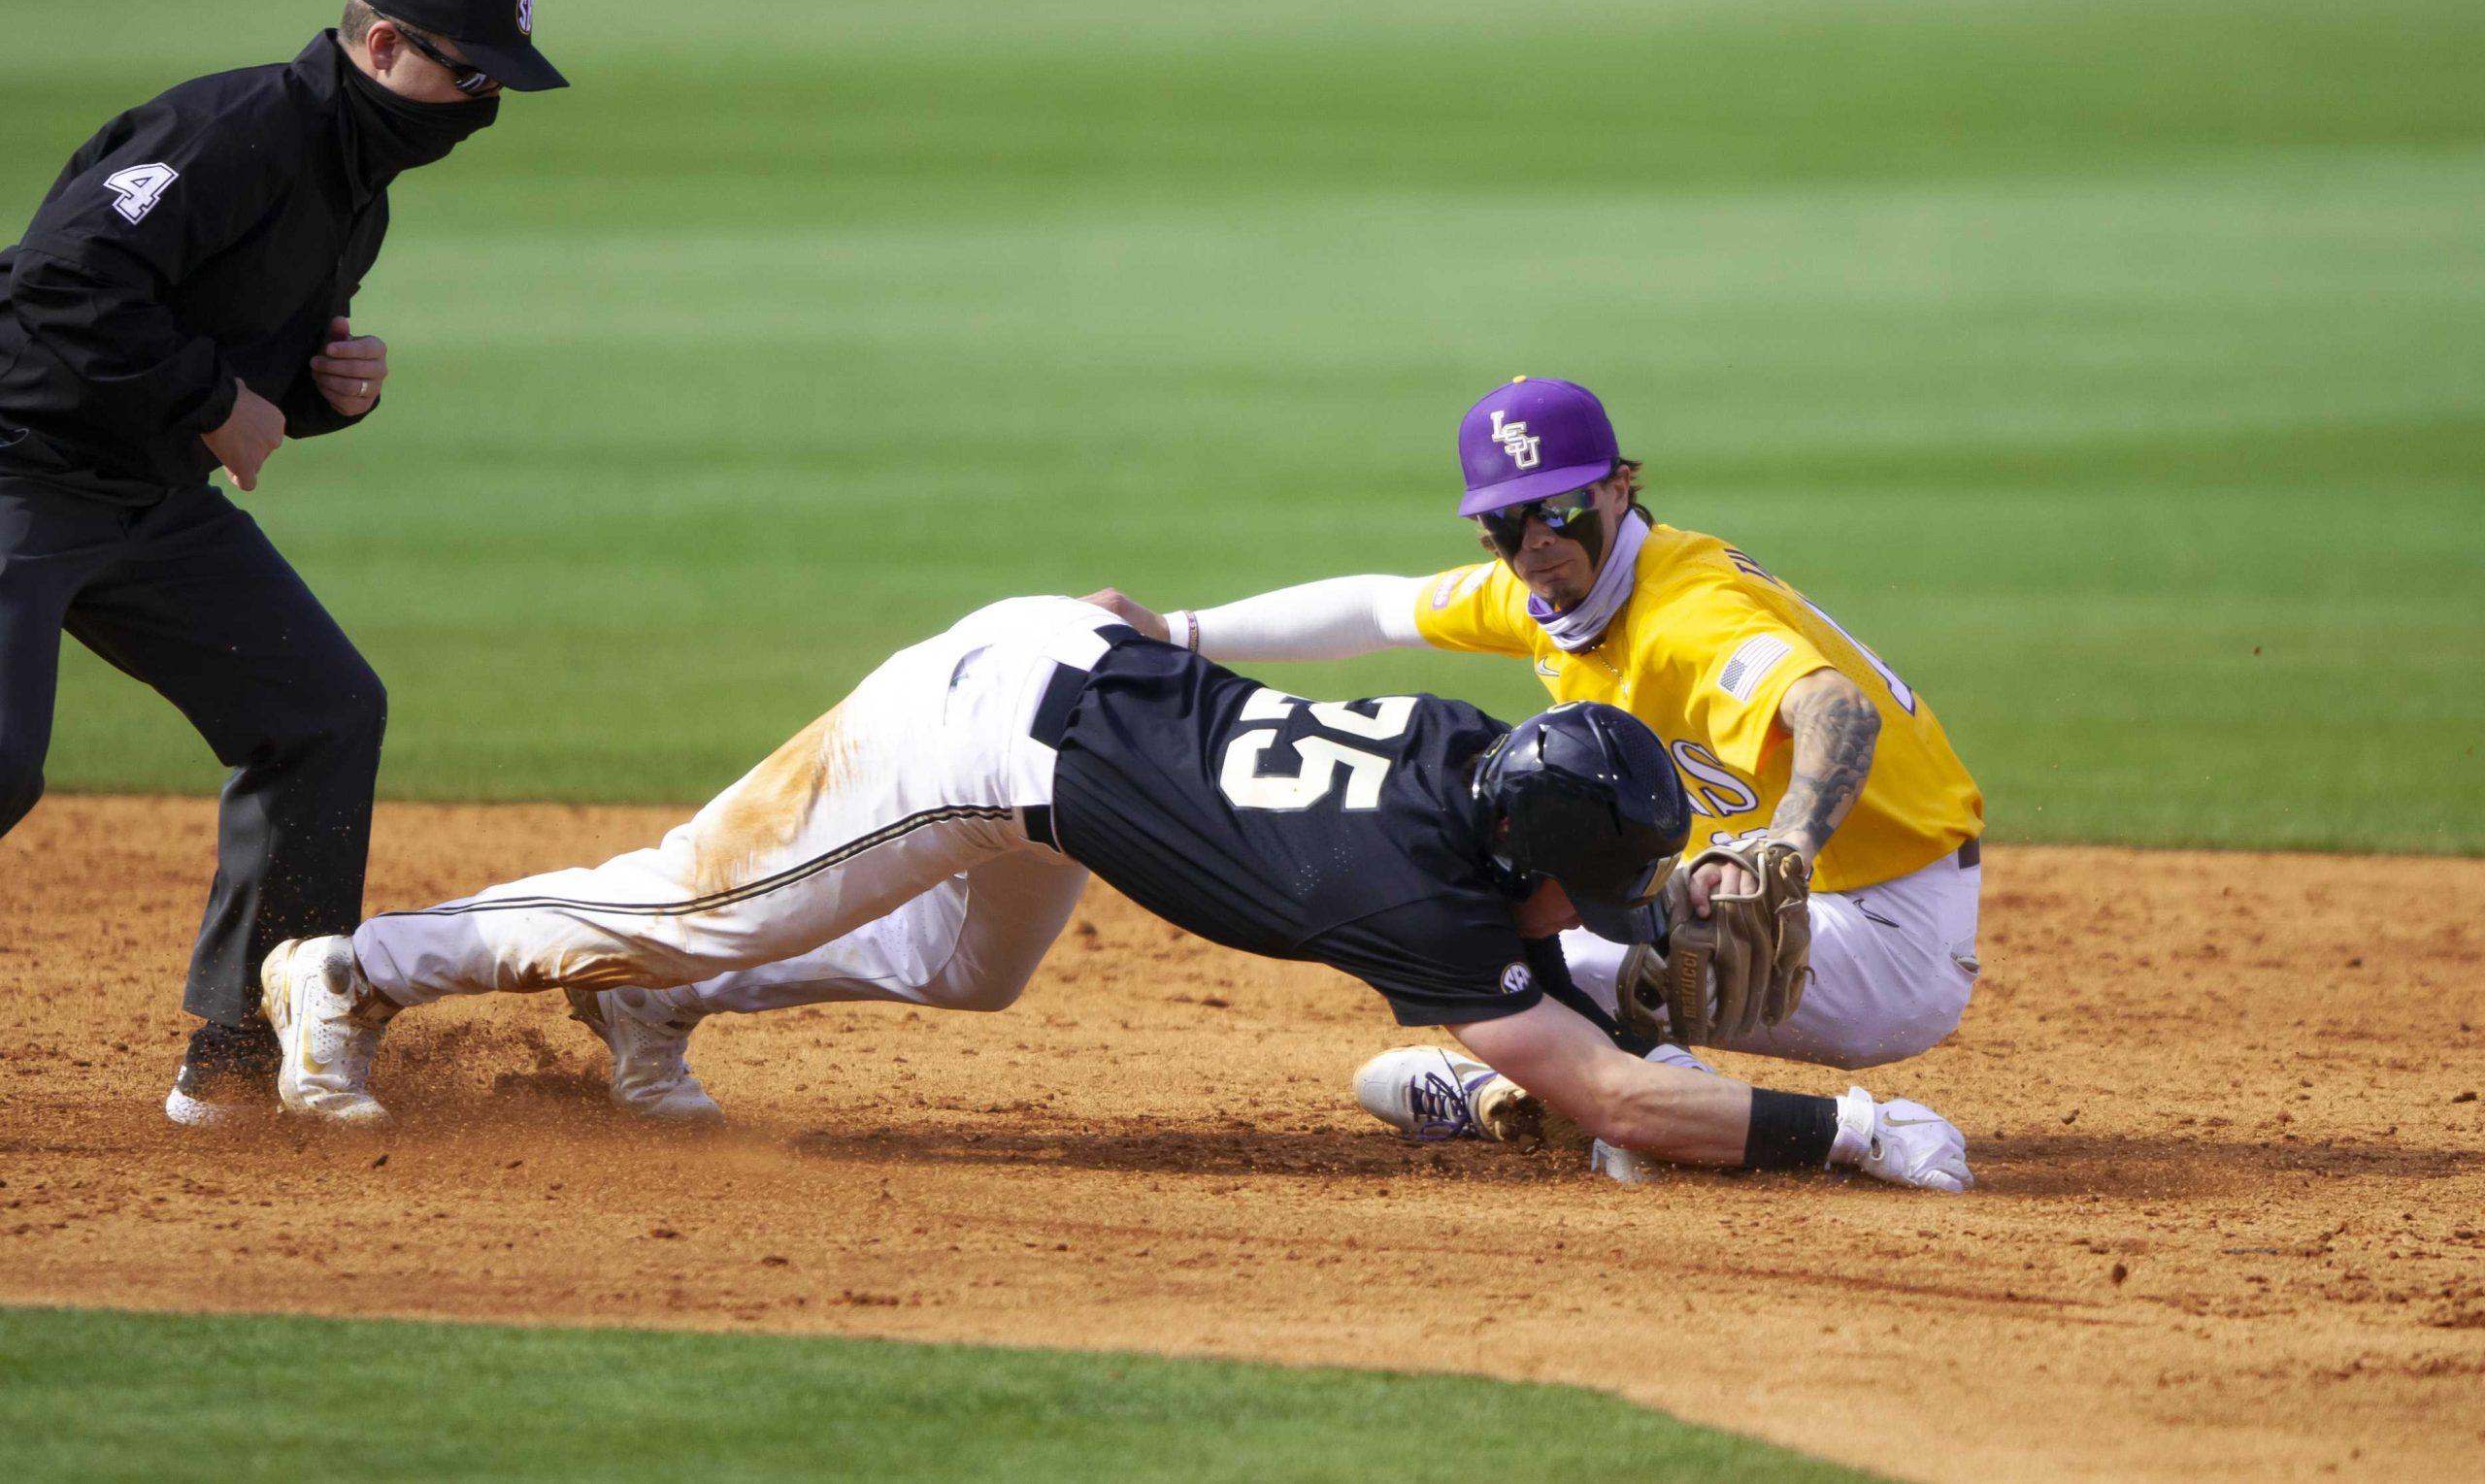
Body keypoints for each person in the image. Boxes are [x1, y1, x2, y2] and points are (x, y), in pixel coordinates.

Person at [256, 595, 1971, 1192]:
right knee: (702, 898)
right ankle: (352, 968)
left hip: (1084, 681)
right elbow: (1598, 1088)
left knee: (964, 972)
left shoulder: (1472, 750)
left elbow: (1541, 939)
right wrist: (1858, 1131)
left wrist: (1628, 981)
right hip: (983, 739)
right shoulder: (1411, 903)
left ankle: (650, 1008)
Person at [1088, 375, 1985, 1139]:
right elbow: (1375, 608)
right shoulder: (1547, 592)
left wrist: (1787, 841)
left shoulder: (1686, 610)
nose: (1536, 542)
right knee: (1488, 911)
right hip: (1808, 894)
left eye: (1559, 509)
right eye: (1507, 524)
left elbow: (1837, 707)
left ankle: (1613, 1111)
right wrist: (1173, 631)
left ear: (1621, 488)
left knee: (1479, 943)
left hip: (1892, 925)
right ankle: (1561, 1101)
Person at [0, 0, 567, 1126]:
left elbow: (246, 376)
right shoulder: (237, 130)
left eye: (496, 80)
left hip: (143, 498)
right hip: (15, 468)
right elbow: (56, 278)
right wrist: (215, 401)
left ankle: (242, 1046)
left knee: (318, 711)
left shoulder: (356, 191)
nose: (480, 103)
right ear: (379, 44)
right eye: (466, 73)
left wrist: (318, 394)